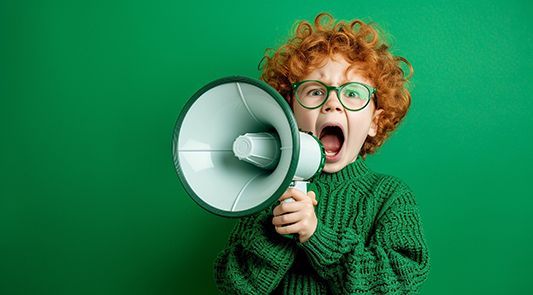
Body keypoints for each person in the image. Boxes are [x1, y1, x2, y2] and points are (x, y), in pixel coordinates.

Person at [213, 12, 431, 294]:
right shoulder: (266, 190)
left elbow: (400, 280)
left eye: (352, 93)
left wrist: (317, 236)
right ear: (289, 110)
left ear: (375, 122)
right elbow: (234, 286)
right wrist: (276, 230)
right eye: (315, 91)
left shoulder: (389, 195)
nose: (332, 103)